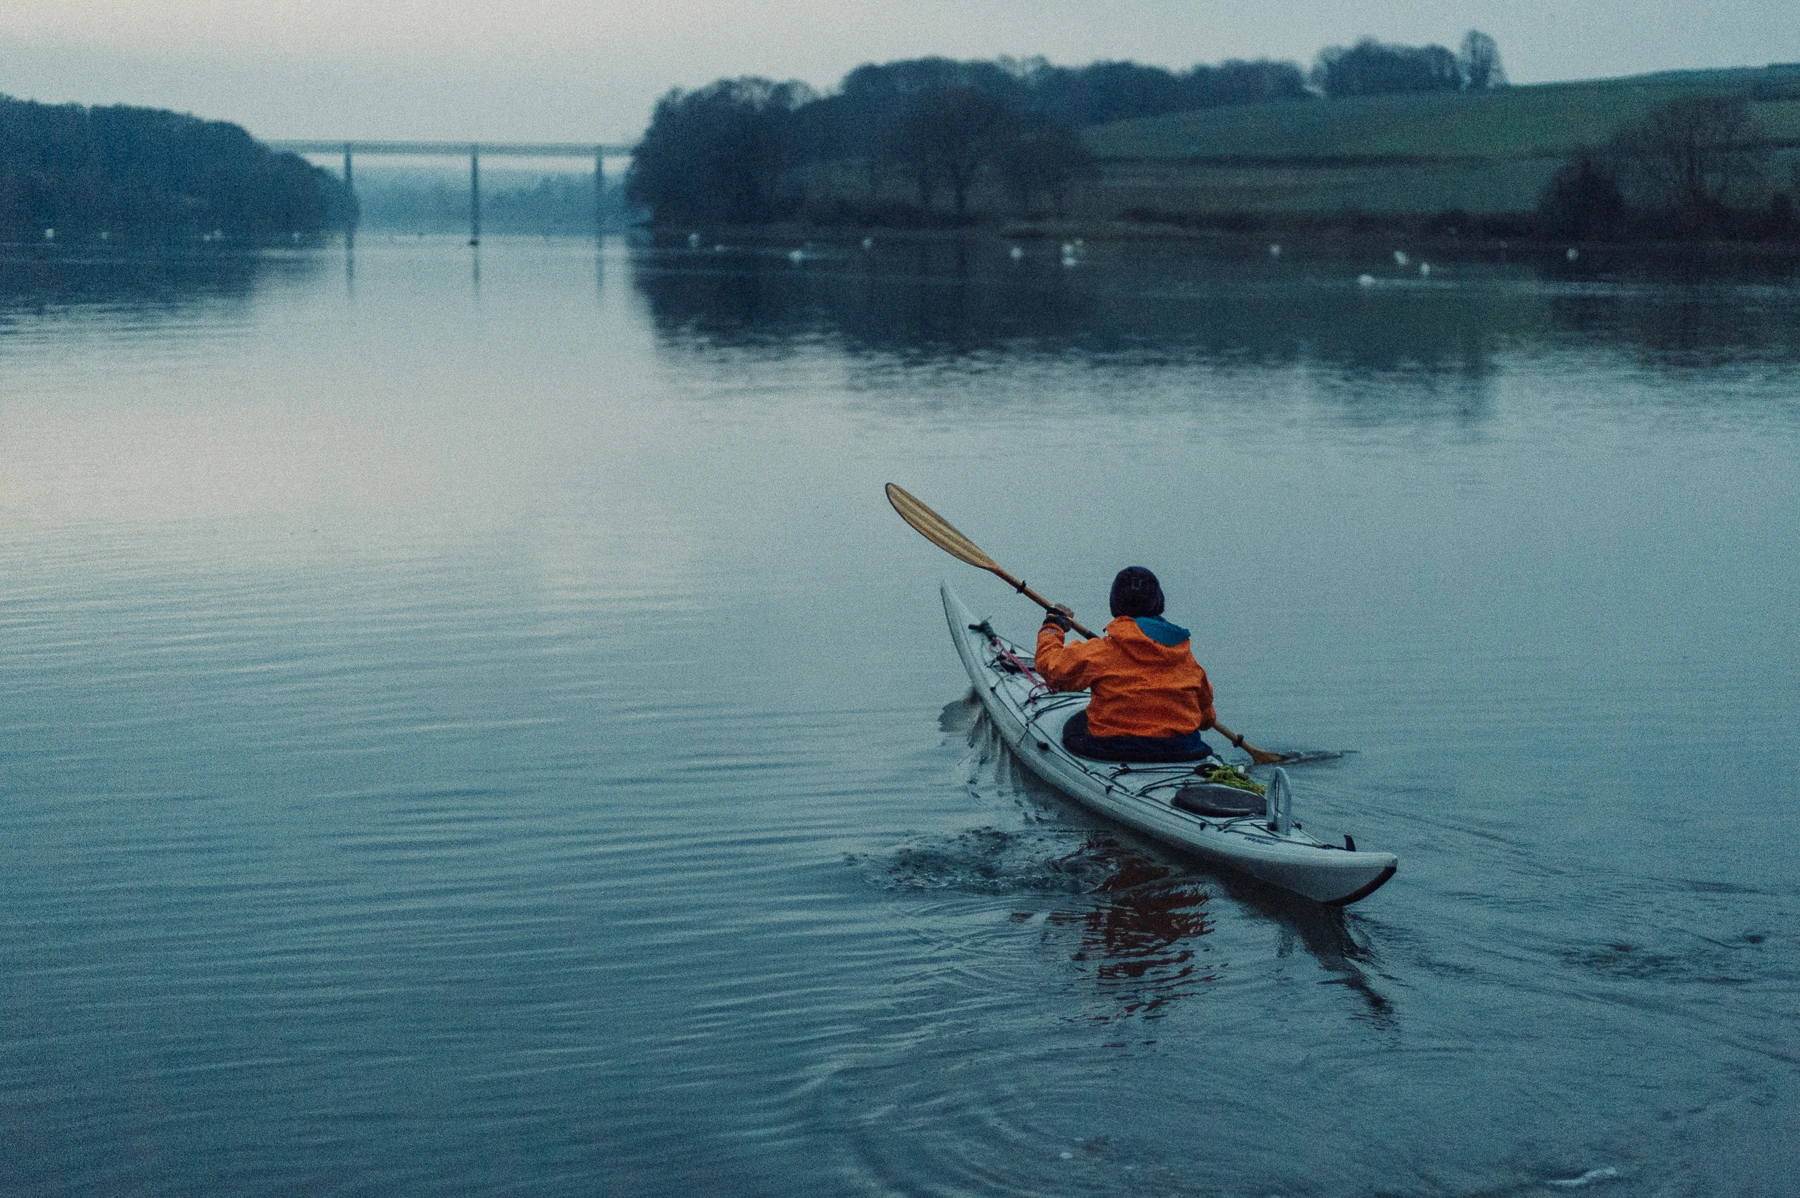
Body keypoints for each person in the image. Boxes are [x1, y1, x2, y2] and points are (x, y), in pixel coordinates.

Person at [1036, 566, 1218, 763]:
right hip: (1181, 749)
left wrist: (1053, 625)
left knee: (1076, 723)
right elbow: (1206, 720)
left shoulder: (1101, 651)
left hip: (1115, 748)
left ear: (1115, 605)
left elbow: (1051, 669)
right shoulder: (1185, 657)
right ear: (1159, 603)